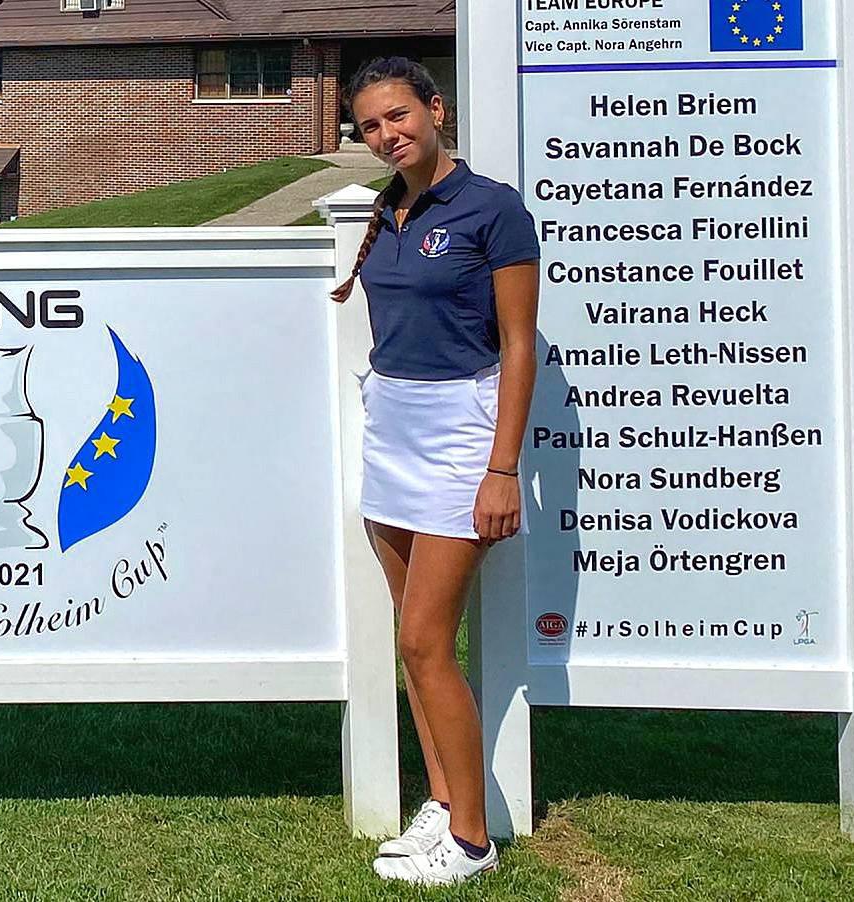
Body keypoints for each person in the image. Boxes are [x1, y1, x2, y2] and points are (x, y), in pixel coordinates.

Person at [331, 57, 540, 886]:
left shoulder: (494, 208)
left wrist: (502, 469)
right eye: (371, 126)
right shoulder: (390, 209)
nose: (387, 134)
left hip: (464, 432)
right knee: (414, 645)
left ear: (434, 108)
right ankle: (446, 804)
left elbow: (520, 344)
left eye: (398, 115)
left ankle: (473, 842)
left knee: (424, 641)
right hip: (395, 430)